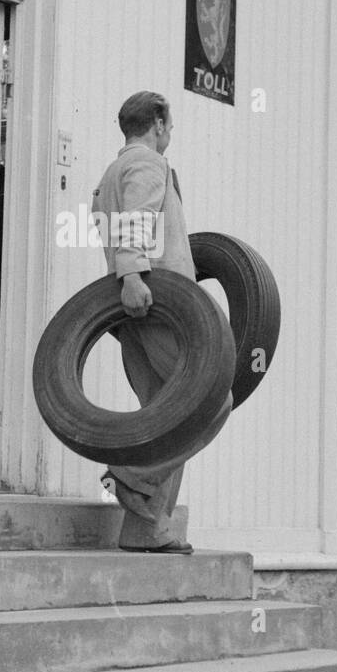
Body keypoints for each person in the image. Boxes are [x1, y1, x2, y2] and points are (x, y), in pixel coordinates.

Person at [91, 91, 232, 554]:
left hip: (134, 310)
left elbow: (111, 226)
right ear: (157, 122)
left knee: (162, 415)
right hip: (156, 305)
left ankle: (145, 530)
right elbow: (136, 221)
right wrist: (132, 275)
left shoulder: (112, 173)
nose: (171, 132)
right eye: (169, 123)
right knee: (209, 402)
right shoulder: (150, 164)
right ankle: (132, 479)